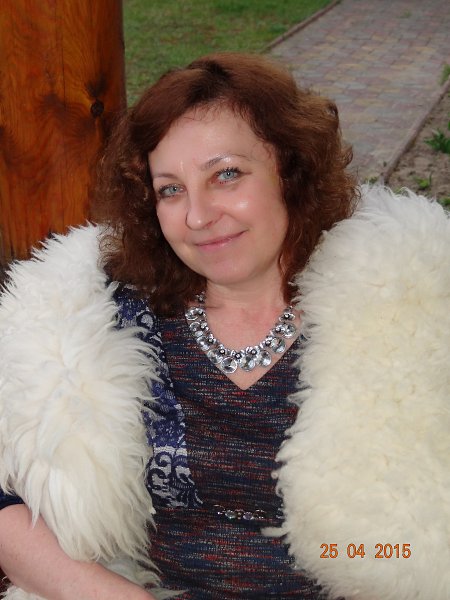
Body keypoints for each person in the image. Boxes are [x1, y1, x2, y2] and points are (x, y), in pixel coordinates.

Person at [0, 52, 449, 600]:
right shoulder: (92, 317)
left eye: (226, 174)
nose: (197, 216)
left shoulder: (410, 315)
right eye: (171, 189)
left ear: (290, 171)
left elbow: (408, 549)